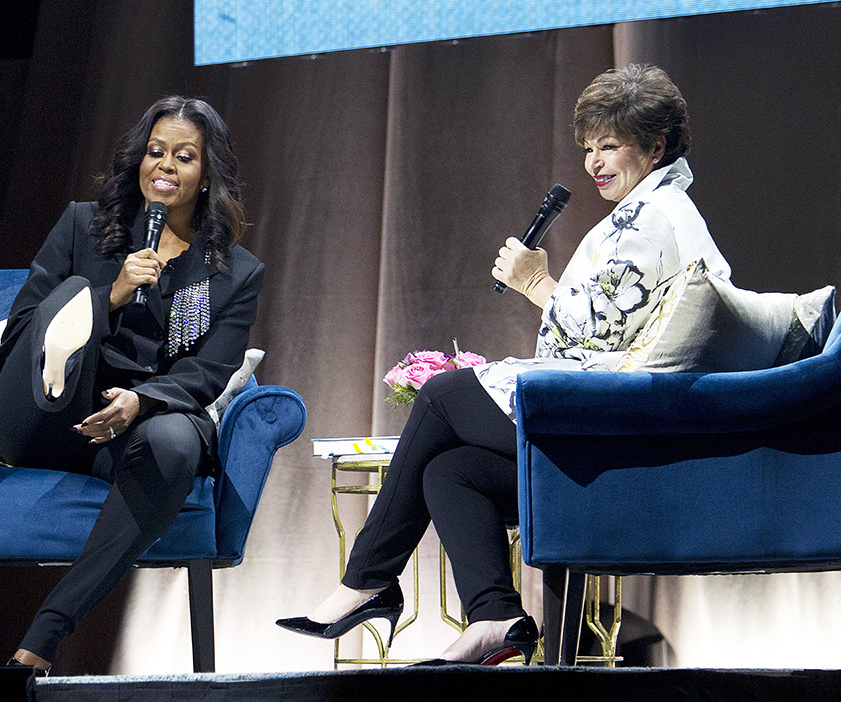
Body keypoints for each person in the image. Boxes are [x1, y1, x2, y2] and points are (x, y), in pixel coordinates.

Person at [276, 64, 730, 664]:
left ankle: (367, 580)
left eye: (611, 145)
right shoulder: (647, 211)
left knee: (442, 395)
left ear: (656, 146)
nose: (595, 161)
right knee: (452, 471)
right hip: (609, 414)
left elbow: (599, 330)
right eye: (589, 147)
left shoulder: (657, 216)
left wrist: (535, 281)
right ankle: (496, 616)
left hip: (623, 430)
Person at [0, 95, 263, 673]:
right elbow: (24, 328)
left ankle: (42, 640)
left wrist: (142, 402)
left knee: (177, 444)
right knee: (65, 299)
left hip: (141, 424)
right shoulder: (83, 226)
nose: (165, 167)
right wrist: (111, 296)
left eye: (184, 157)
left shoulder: (234, 270)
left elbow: (210, 369)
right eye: (155, 152)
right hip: (50, 412)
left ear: (208, 176)